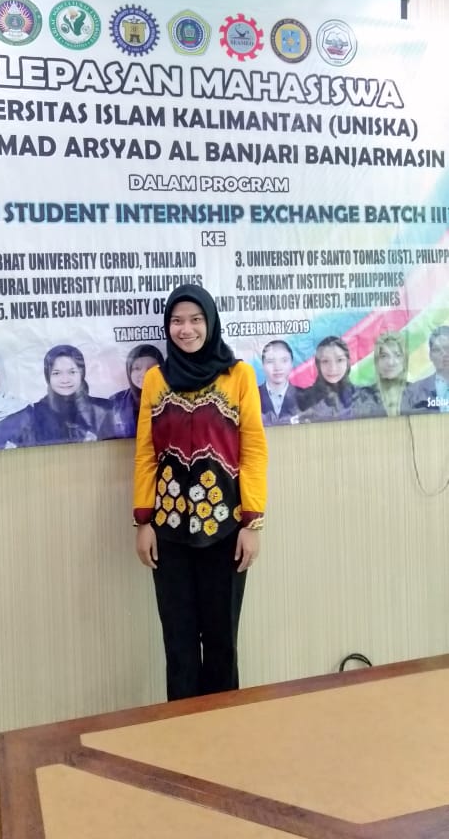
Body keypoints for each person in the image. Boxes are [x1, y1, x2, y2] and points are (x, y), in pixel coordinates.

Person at [133, 284, 268, 701]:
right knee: (179, 643)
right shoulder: (156, 380)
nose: (186, 329)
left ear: (210, 323)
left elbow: (253, 450)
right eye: (177, 321)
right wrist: (143, 521)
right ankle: (181, 731)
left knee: (222, 640)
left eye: (195, 320)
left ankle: (223, 730)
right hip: (169, 531)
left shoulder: (238, 375)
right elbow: (146, 453)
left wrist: (252, 523)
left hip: (226, 529)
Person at [33, 344, 115, 445]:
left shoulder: (105, 410)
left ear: (82, 373)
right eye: (56, 373)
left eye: (72, 372)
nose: (65, 380)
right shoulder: (33, 415)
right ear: (48, 376)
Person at [299, 335, 366, 422]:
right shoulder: (303, 399)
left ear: (348, 362)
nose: (333, 368)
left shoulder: (365, 397)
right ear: (318, 365)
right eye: (325, 361)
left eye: (339, 360)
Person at [110, 343, 164, 437]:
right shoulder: (115, 401)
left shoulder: (174, 400)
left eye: (152, 368)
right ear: (129, 371)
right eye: (137, 368)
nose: (144, 374)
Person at [362, 330, 413, 418]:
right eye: (384, 356)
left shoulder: (416, 392)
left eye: (397, 355)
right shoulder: (364, 396)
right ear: (376, 360)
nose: (390, 362)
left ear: (405, 360)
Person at [258, 339, 301, 424]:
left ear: (291, 364)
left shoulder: (304, 396)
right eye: (270, 361)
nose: (277, 368)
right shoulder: (252, 396)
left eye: (284, 360)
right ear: (262, 365)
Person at [409, 325, 449, 413]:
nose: (444, 354)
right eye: (438, 350)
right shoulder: (415, 391)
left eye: (447, 348)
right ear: (430, 355)